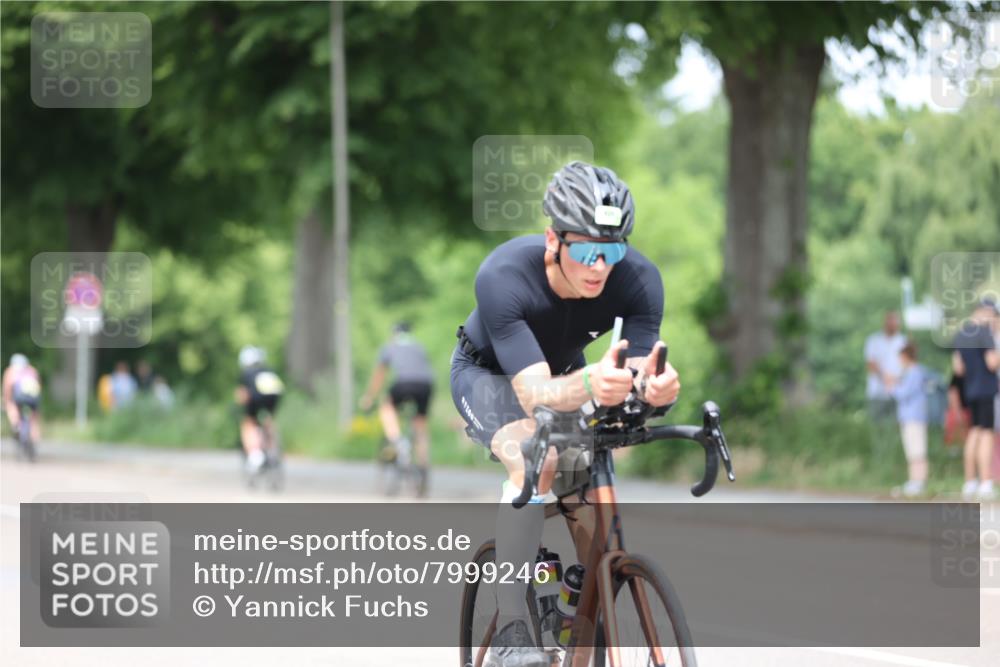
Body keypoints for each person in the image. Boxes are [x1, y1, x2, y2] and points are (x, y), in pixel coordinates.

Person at [450, 161, 679, 666]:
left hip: (566, 371)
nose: (600, 266)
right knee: (536, 457)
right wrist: (591, 383)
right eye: (587, 251)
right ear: (554, 239)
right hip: (488, 375)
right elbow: (532, 394)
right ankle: (512, 628)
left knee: (590, 477)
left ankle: (585, 608)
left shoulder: (638, 280)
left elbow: (639, 373)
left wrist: (656, 390)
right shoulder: (504, 275)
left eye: (613, 250)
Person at [359, 322, 435, 495]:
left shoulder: (389, 346)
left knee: (387, 407)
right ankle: (423, 465)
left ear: (394, 334)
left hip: (403, 384)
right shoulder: (418, 346)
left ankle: (397, 440)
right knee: (420, 424)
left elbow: (380, 375)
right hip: (426, 385)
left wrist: (369, 397)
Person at [952, 298, 999, 501]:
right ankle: (986, 482)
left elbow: (958, 369)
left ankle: (970, 482)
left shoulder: (961, 334)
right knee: (987, 434)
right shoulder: (984, 332)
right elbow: (992, 363)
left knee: (974, 433)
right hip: (987, 389)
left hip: (970, 389)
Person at [235, 346, 284, 474]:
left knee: (248, 423)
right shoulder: (269, 370)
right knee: (269, 419)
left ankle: (255, 454)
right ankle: (273, 448)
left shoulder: (247, 373)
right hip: (274, 396)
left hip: (256, 397)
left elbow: (242, 396)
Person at [890, 341, 928, 498]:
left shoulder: (915, 373)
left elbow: (903, 394)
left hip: (914, 418)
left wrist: (892, 386)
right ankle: (914, 480)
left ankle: (919, 482)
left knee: (917, 451)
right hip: (910, 418)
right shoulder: (913, 373)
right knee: (912, 451)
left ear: (905, 357)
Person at [2, 353, 42, 444]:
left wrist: (6, 401)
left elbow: (7, 389)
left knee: (11, 406)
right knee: (34, 417)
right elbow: (39, 385)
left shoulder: (10, 371)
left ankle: (16, 425)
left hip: (19, 397)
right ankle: (35, 436)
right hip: (34, 397)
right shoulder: (32, 370)